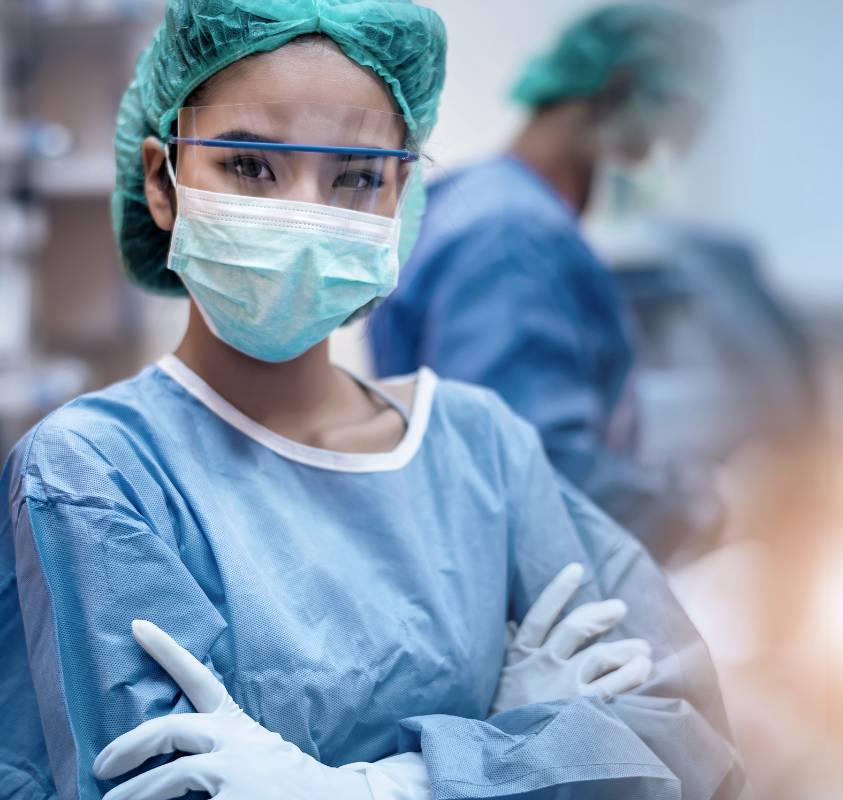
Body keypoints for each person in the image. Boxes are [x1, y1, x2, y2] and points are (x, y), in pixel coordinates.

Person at [0, 3, 743, 799]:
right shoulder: (96, 473)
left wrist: (390, 785)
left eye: (355, 178)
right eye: (249, 166)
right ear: (162, 182)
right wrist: (518, 749)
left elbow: (675, 736)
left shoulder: (481, 448)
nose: (304, 216)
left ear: (401, 198)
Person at [366, 5, 723, 560]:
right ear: (620, 89)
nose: (655, 163)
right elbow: (539, 475)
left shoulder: (470, 197)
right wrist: (698, 510)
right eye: (658, 142)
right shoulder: (514, 238)